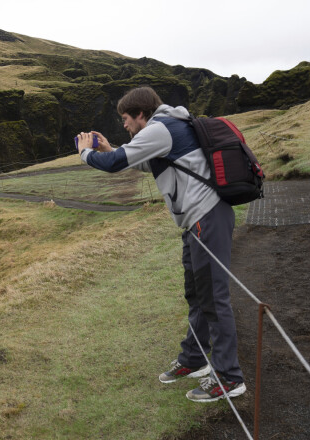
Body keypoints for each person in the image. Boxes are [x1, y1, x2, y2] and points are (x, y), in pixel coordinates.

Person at [76, 86, 246, 403]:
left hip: (206, 218)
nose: (125, 125)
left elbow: (114, 164)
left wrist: (86, 152)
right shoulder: (165, 128)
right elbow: (147, 162)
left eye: (126, 119)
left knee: (213, 298)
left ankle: (228, 377)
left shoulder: (161, 127)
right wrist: (111, 147)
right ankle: (194, 359)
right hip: (198, 221)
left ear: (141, 114)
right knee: (197, 295)